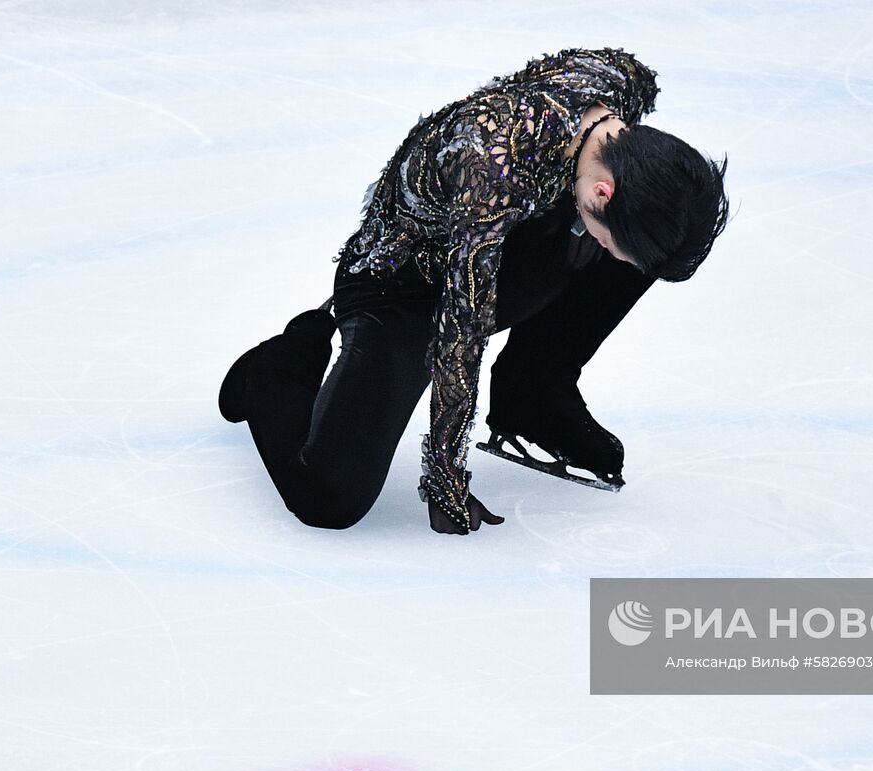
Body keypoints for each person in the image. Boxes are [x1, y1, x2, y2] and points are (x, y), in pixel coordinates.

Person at [218, 46, 730, 534]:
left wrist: (595, 233)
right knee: (329, 497)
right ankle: (275, 371)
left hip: (514, 239)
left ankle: (533, 396)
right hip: (400, 286)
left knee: (655, 240)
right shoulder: (488, 169)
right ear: (603, 189)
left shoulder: (620, 83)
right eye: (605, 236)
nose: (609, 259)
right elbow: (458, 337)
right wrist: (445, 476)